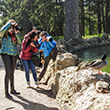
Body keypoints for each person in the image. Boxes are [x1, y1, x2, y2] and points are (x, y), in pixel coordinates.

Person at [0, 19, 22, 99]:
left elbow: (19, 42)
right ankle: (6, 92)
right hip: (5, 53)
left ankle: (12, 89)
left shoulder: (14, 33)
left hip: (14, 54)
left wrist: (17, 34)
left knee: (12, 72)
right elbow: (2, 30)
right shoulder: (4, 33)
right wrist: (10, 24)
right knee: (8, 72)